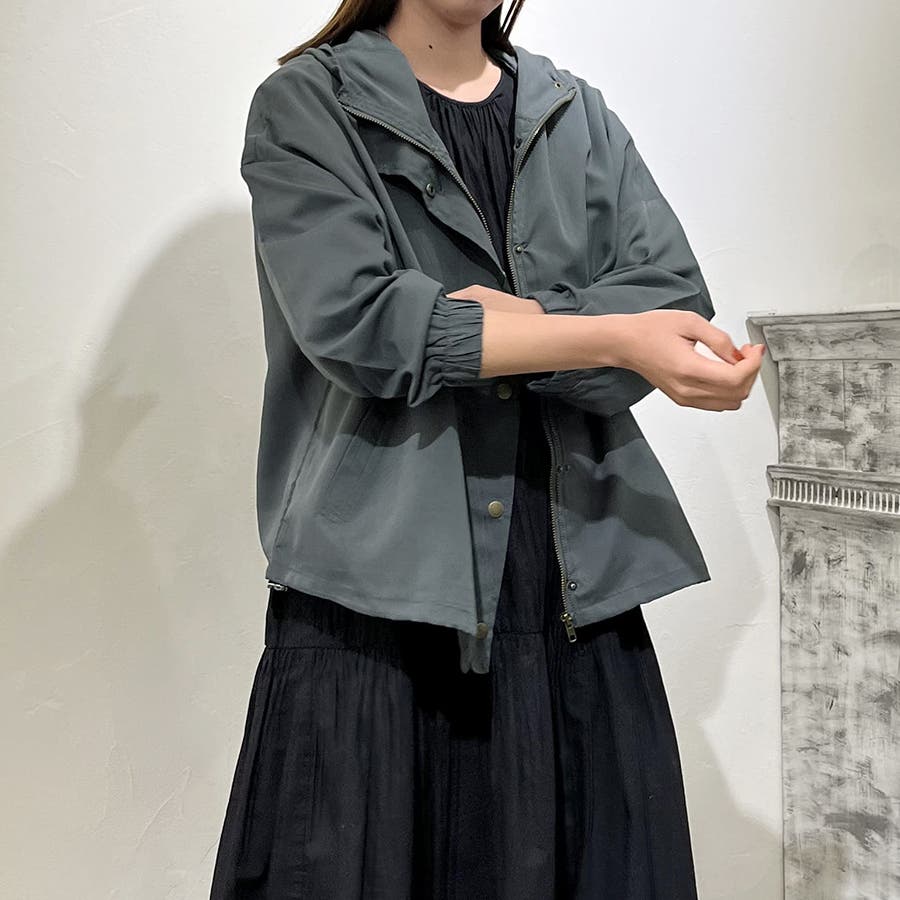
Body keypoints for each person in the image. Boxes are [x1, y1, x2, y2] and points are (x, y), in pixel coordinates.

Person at [209, 1, 765, 897]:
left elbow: (670, 293)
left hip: (571, 595)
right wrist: (609, 335)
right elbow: (362, 325)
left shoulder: (574, 112)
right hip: (379, 609)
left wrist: (523, 325)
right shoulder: (309, 103)